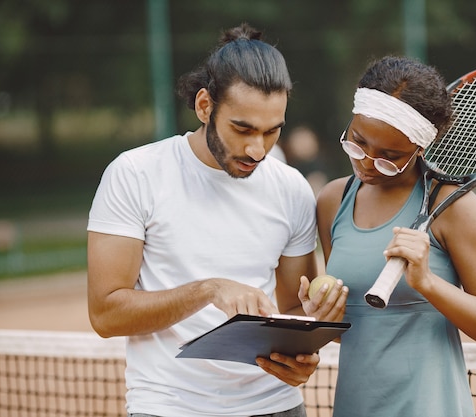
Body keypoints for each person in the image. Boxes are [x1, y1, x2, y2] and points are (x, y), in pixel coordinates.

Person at [87, 23, 346, 417]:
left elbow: (293, 310)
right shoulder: (134, 174)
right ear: (205, 106)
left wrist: (302, 352)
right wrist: (209, 290)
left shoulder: (291, 188)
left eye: (272, 132)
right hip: (169, 408)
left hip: (277, 406)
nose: (257, 150)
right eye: (242, 129)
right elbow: (106, 314)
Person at [315, 56, 476, 416]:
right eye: (357, 142)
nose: (365, 163)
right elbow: (350, 330)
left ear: (420, 149)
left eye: (389, 157)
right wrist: (320, 315)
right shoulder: (333, 201)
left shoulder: (457, 209)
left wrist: (427, 282)